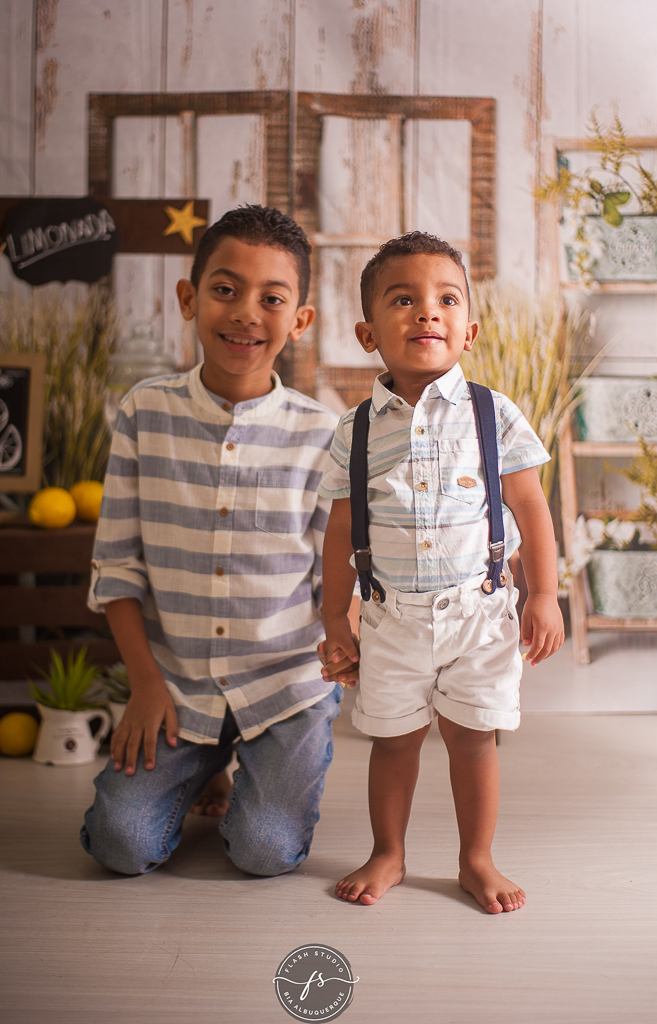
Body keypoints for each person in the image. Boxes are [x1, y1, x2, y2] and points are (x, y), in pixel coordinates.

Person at [80, 205, 357, 876]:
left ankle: (248, 768)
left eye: (272, 299)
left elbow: (337, 573)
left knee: (263, 852)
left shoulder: (326, 433)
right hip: (177, 688)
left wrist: (347, 643)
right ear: (189, 298)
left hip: (286, 687)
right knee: (120, 843)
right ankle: (205, 760)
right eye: (225, 289)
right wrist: (145, 687)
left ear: (300, 321)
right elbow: (117, 572)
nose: (245, 314)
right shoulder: (143, 413)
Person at [318, 232, 564, 912]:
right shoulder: (357, 430)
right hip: (389, 616)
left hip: (480, 612)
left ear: (469, 329)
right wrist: (334, 618)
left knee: (472, 739)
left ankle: (475, 858)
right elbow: (340, 530)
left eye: (445, 299)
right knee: (393, 741)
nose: (428, 312)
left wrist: (543, 594)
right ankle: (388, 852)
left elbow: (531, 509)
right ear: (369, 333)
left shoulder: (495, 415)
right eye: (404, 299)